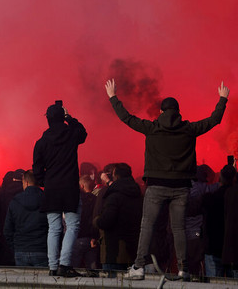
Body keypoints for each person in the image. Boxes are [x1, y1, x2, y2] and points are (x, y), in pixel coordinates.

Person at [105, 79, 229, 280]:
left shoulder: (152, 128)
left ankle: (138, 267)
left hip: (156, 186)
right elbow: (213, 120)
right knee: (179, 228)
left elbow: (126, 118)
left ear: (161, 113)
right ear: (178, 111)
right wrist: (222, 99)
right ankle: (183, 269)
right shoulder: (189, 129)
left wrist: (113, 97)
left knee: (147, 225)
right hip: (181, 187)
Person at [33, 102, 87, 277]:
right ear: (61, 118)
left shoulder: (41, 142)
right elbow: (83, 132)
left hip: (51, 189)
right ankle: (64, 264)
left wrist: (45, 182)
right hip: (69, 188)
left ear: (48, 120)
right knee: (72, 225)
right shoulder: (71, 135)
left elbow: (37, 169)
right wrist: (69, 118)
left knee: (53, 228)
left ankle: (53, 267)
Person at [93, 163, 142, 275]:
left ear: (115, 176)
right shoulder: (138, 194)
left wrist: (96, 221)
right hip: (132, 250)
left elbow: (105, 220)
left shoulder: (113, 195)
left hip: (113, 249)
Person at [3, 170, 48, 267]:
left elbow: (7, 230)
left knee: (24, 281)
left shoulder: (15, 201)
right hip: (41, 249)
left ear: (26, 182)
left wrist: (15, 247)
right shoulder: (47, 200)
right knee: (42, 281)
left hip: (21, 250)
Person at [202, 165, 235, 277]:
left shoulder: (211, 198)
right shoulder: (232, 198)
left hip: (213, 248)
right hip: (232, 252)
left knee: (214, 284)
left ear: (220, 177)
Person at [72, 175, 99, 272]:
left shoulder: (76, 200)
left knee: (73, 268)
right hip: (92, 239)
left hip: (77, 237)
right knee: (93, 270)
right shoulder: (96, 200)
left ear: (82, 186)